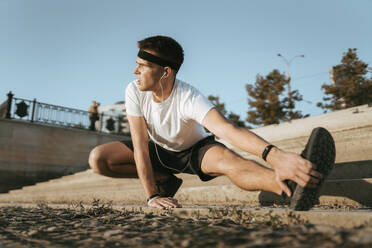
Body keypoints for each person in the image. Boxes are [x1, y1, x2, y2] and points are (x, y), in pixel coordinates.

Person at [88, 35, 335, 211]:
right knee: (98, 158)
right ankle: (165, 179)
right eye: (137, 64)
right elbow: (140, 147)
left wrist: (274, 155)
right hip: (157, 151)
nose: (135, 71)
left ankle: (291, 186)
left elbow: (227, 129)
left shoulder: (189, 96)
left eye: (143, 66)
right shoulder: (134, 90)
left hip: (194, 151)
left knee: (231, 162)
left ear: (166, 72)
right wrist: (152, 195)